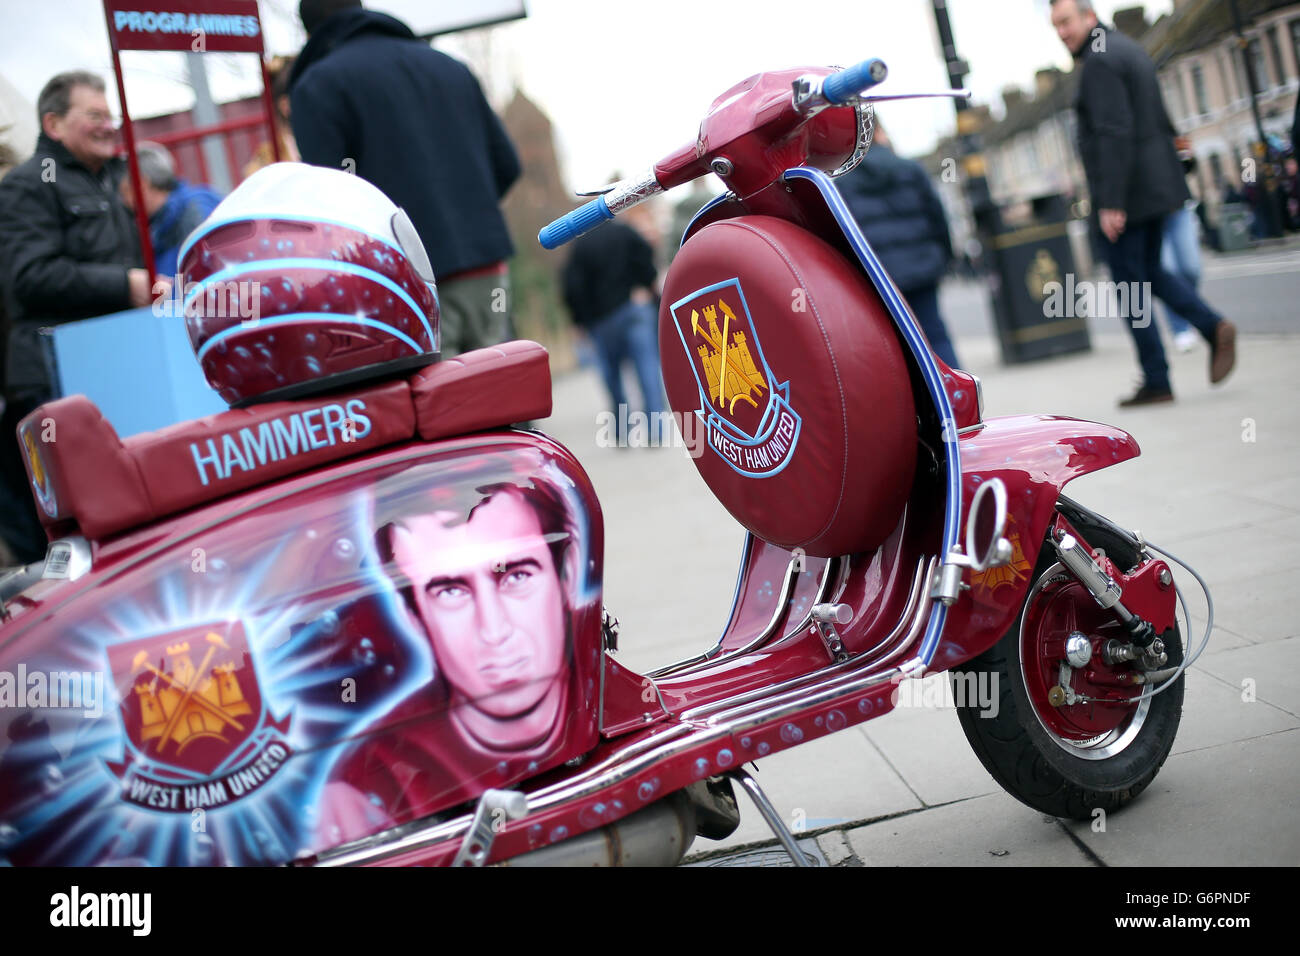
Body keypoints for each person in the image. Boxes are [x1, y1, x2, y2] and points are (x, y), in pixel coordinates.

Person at [320, 476, 583, 837]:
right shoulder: (364, 789)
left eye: (516, 576)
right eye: (451, 592)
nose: (494, 630)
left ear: (567, 575)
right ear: (414, 619)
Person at [288, 0, 521, 358]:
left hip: (405, 286)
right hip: (487, 271)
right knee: (501, 393)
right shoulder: (451, 68)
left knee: (444, 407)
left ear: (309, 30)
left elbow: (332, 206)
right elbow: (507, 166)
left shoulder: (317, 87)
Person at [1051, 0, 1235, 406]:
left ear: (1088, 16)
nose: (1062, 32)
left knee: (1130, 288)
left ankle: (1157, 379)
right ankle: (1212, 325)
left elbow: (1113, 131)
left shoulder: (1099, 61)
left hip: (1129, 195)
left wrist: (1111, 201)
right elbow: (1157, 118)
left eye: (1066, 21)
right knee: (1150, 271)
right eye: (1056, 26)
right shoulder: (1128, 48)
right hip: (1156, 187)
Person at [0, 70, 149, 564]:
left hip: (108, 370)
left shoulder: (106, 181)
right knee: (76, 527)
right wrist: (125, 285)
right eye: (95, 115)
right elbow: (30, 276)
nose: (109, 125)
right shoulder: (27, 186)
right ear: (54, 123)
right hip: (53, 381)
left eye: (111, 115)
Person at [835, 123, 962, 369]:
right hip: (922, 267)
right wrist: (945, 257)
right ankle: (956, 399)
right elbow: (938, 217)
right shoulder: (910, 169)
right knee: (934, 333)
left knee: (896, 345)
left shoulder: (841, 182)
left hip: (881, 278)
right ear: (880, 133)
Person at [562, 204, 665, 444]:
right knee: (647, 369)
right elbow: (645, 258)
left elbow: (572, 287)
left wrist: (579, 321)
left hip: (601, 321)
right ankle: (656, 430)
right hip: (633, 311)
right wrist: (648, 287)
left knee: (612, 375)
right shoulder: (625, 232)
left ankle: (623, 431)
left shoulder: (580, 247)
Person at [118, 142, 222, 278]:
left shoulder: (197, 207)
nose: (123, 202)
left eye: (124, 192)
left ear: (141, 184)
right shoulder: (155, 223)